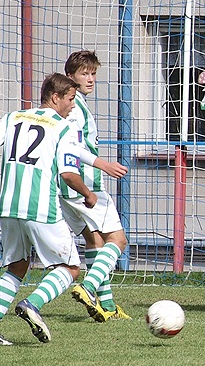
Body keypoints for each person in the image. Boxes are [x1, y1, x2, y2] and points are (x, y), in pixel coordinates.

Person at [0, 74, 126, 345]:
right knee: (70, 268)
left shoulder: (13, 118)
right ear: (55, 97)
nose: (73, 105)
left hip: (8, 204)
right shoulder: (62, 127)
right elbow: (69, 174)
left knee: (18, 265)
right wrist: (89, 194)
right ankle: (32, 304)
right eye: (70, 99)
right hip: (40, 206)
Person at [62, 50, 132, 321]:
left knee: (95, 240)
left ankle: (108, 307)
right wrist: (103, 164)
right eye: (84, 74)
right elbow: (73, 147)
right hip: (84, 183)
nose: (90, 79)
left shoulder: (74, 104)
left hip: (65, 187)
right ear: (70, 77)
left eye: (93, 74)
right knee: (118, 239)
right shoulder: (74, 107)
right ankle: (89, 287)